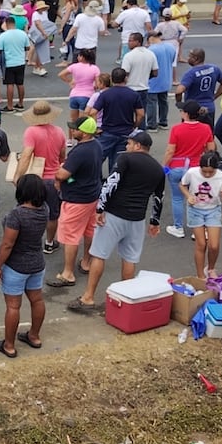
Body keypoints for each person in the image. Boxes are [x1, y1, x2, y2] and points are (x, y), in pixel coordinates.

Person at [69, 130, 165, 314]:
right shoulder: (157, 168)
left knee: (99, 254)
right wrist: (154, 221)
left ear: (137, 145)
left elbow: (111, 183)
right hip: (137, 220)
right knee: (129, 259)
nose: (127, 146)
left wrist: (100, 208)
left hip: (114, 215)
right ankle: (125, 300)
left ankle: (88, 297)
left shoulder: (125, 159)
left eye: (129, 143)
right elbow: (159, 197)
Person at [0, 174, 48, 358]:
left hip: (16, 266)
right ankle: (34, 336)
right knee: (37, 300)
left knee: (13, 306)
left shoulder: (16, 216)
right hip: (37, 263)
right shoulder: (45, 209)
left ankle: (9, 345)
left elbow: (7, 244)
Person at [49, 117, 102, 288]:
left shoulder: (79, 151)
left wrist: (59, 173)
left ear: (84, 133)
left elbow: (62, 175)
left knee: (70, 235)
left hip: (76, 199)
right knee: (89, 230)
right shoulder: (96, 145)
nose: (72, 131)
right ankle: (86, 262)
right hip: (92, 195)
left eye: (75, 129)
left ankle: (68, 273)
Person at [16, 101, 66, 253]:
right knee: (52, 214)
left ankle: (27, 240)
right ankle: (49, 243)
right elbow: (62, 156)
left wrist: (18, 176)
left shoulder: (31, 132)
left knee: (29, 210)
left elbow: (26, 155)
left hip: (36, 179)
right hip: (54, 179)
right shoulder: (59, 131)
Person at [163, 101, 216, 239]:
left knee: (177, 198)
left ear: (186, 114)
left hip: (177, 167)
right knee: (198, 197)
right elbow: (211, 149)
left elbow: (170, 151)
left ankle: (178, 227)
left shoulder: (176, 129)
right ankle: (198, 229)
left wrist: (165, 167)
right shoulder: (205, 128)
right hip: (196, 167)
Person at [180, 152, 222, 279]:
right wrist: (188, 196)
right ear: (200, 167)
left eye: (211, 172)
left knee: (214, 245)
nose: (208, 175)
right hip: (195, 210)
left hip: (213, 210)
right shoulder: (192, 173)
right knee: (201, 244)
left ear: (216, 168)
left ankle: (210, 268)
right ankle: (200, 275)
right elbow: (182, 185)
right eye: (204, 172)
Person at [91, 67, 144, 174]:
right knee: (117, 163)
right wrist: (134, 125)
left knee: (96, 158)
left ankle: (97, 179)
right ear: (126, 79)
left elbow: (93, 112)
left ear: (112, 79)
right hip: (125, 132)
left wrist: (95, 128)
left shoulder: (105, 94)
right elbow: (141, 114)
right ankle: (113, 181)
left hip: (107, 132)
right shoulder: (133, 94)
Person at [174, 48, 222, 122]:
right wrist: (214, 96)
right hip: (209, 108)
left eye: (189, 56)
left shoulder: (191, 73)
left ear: (195, 58)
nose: (188, 58)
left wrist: (179, 103)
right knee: (207, 129)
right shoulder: (214, 69)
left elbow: (179, 91)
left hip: (192, 111)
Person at [120, 32, 158, 124]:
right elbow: (155, 72)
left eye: (131, 41)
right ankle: (141, 129)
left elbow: (124, 74)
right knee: (141, 113)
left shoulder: (129, 56)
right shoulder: (150, 54)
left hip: (130, 88)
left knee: (128, 113)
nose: (128, 43)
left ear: (138, 42)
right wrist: (146, 76)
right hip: (144, 88)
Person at [0, 16, 31, 111]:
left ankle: (10, 105)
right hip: (20, 62)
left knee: (10, 84)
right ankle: (20, 103)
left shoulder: (3, 35)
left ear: (6, 24)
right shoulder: (23, 34)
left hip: (9, 63)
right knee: (20, 83)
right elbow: (28, 47)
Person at [59, 48, 99, 125]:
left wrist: (69, 82)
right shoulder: (95, 68)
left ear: (82, 57)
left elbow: (61, 75)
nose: (77, 57)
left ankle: (72, 133)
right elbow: (97, 84)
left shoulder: (74, 66)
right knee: (82, 122)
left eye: (79, 55)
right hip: (87, 96)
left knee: (73, 121)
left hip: (74, 95)